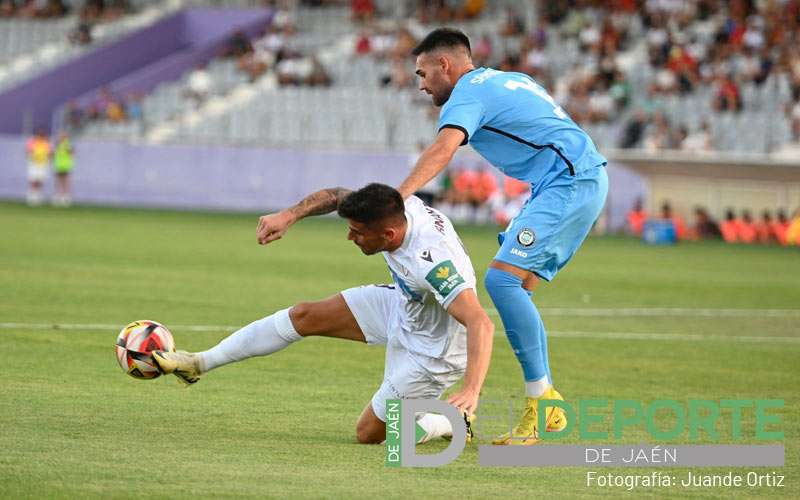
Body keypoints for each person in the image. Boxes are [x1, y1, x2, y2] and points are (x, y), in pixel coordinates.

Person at [152, 183, 494, 444]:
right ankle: (198, 363)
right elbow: (335, 195)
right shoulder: (398, 206)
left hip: (435, 350)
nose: (349, 237)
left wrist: (471, 390)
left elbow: (480, 321)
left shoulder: (432, 263)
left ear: (389, 234)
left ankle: (452, 420)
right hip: (406, 304)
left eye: (358, 233)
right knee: (304, 315)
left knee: (370, 433)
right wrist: (288, 215)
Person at [398, 28, 607, 445]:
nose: (421, 85)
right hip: (565, 180)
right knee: (517, 287)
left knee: (501, 280)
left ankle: (540, 403)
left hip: (568, 181)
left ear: (446, 65)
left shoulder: (467, 94)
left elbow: (444, 148)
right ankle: (544, 405)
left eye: (423, 74)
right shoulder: (506, 78)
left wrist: (398, 196)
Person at [25, 129, 51, 206]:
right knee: (33, 179)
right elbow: (28, 152)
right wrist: (33, 156)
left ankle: (38, 196)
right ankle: (32, 196)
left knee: (40, 180)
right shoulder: (32, 141)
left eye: (42, 133)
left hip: (43, 163)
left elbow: (50, 153)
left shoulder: (46, 142)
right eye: (40, 133)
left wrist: (47, 159)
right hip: (34, 163)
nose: (41, 135)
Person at [52, 132, 74, 207]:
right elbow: (52, 154)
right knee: (58, 181)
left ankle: (65, 197)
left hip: (66, 165)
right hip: (58, 164)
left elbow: (72, 152)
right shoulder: (57, 144)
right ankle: (58, 196)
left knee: (65, 181)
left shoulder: (68, 144)